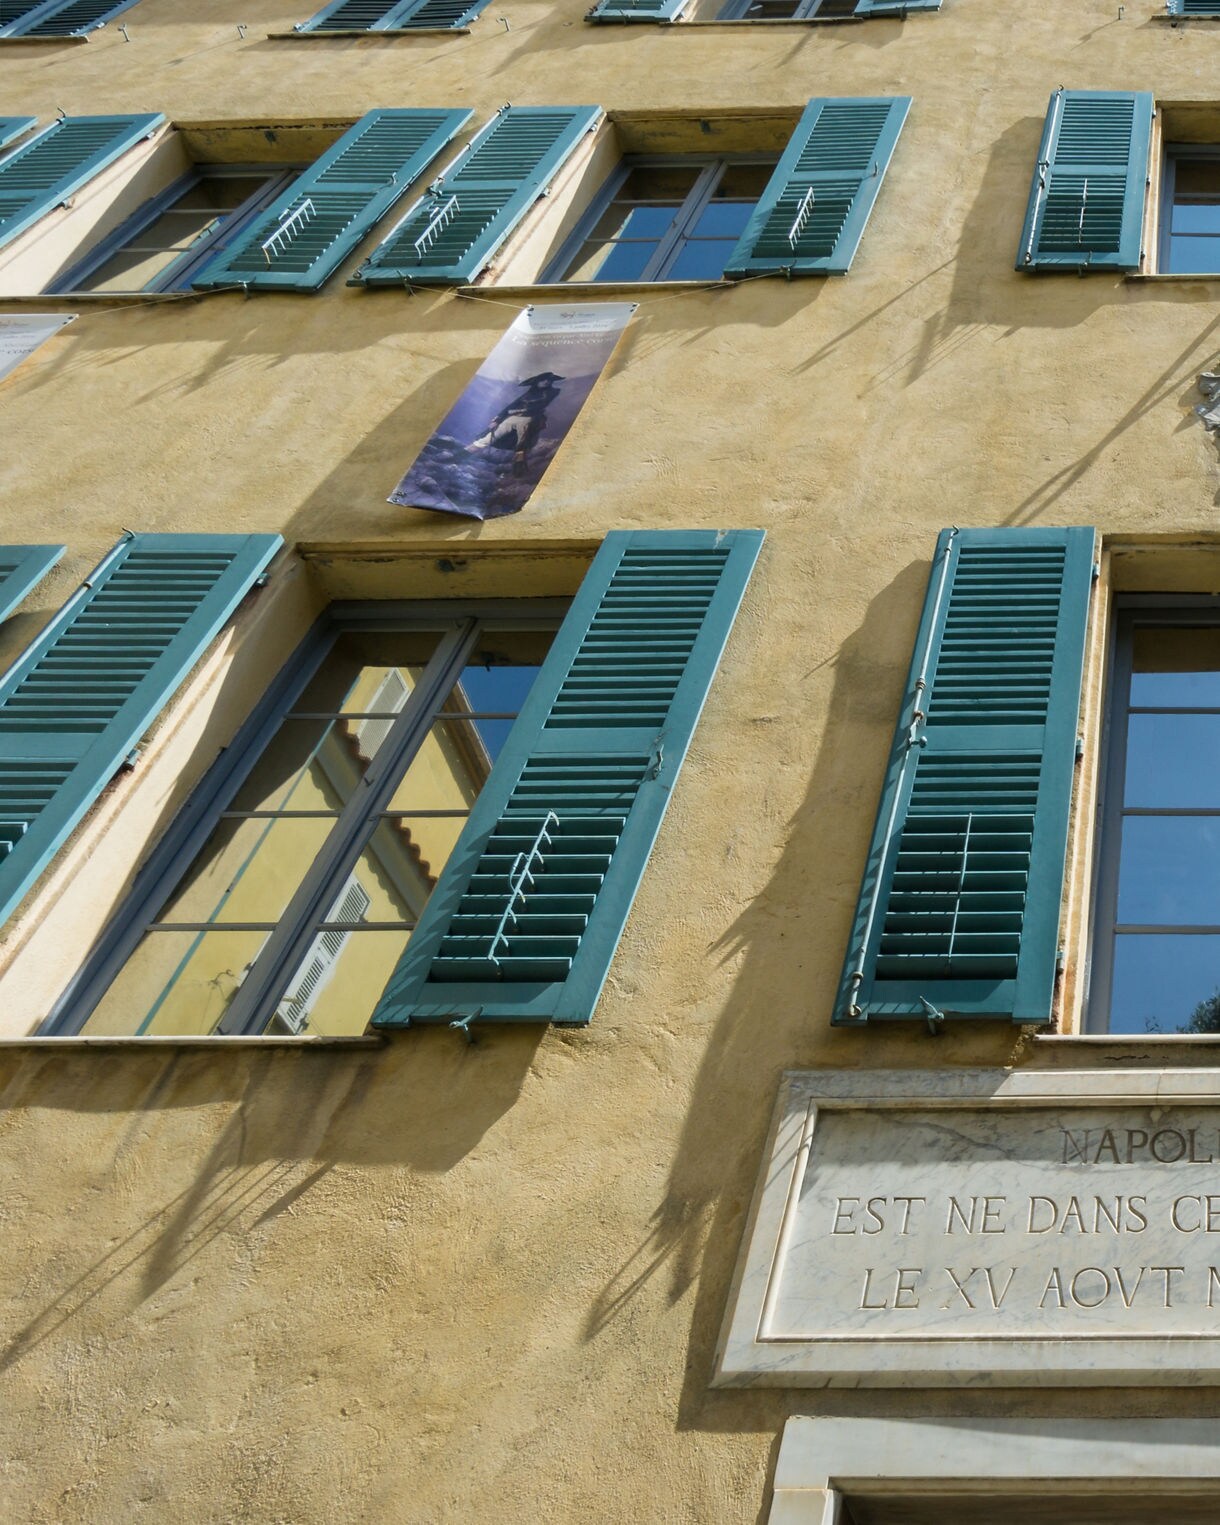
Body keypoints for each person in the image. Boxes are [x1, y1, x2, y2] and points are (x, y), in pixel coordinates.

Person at [469, 371, 564, 473]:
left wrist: (517, 411)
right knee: (489, 437)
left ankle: (519, 469)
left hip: (528, 420)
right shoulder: (528, 394)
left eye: (548, 380)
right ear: (537, 382)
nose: (546, 382)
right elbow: (511, 406)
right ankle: (464, 453)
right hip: (512, 418)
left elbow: (537, 406)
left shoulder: (552, 392)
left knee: (521, 445)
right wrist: (497, 420)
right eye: (543, 380)